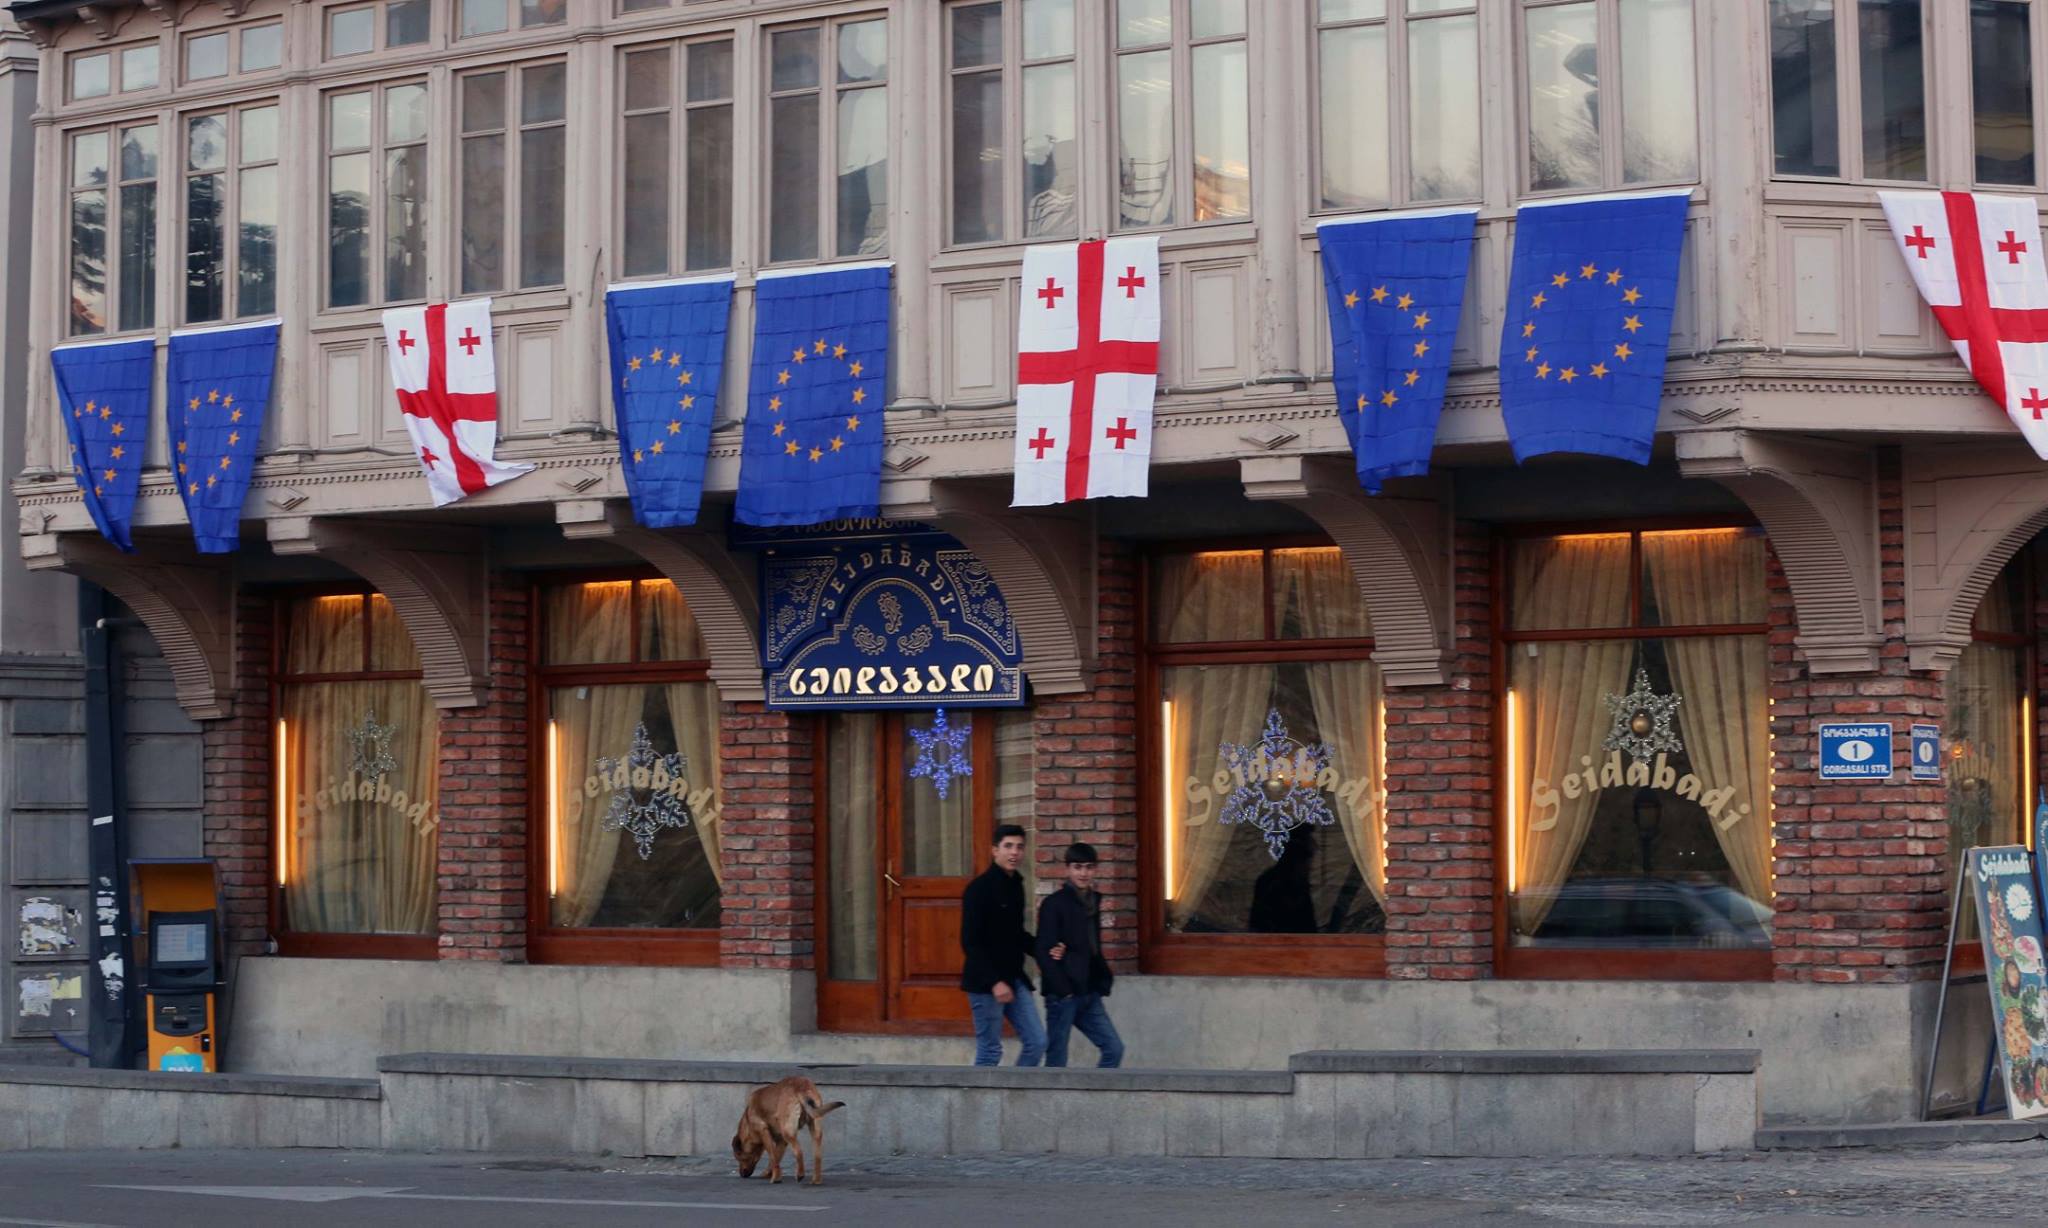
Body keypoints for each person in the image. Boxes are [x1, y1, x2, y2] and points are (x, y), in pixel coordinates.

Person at [960, 824, 1048, 1066]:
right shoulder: (978, 890)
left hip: (1014, 977)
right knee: (990, 1052)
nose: (1014, 853)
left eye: (1020, 847)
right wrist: (994, 982)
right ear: (994, 850)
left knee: (1037, 1041)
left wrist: (1046, 950)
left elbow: (1016, 935)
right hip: (986, 983)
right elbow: (970, 942)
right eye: (1008, 846)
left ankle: (1015, 1097)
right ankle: (978, 1104)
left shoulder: (1016, 886)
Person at [1035, 841, 1124, 1069]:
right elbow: (1045, 952)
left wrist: (1101, 979)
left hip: (1088, 991)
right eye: (1077, 867)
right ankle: (1051, 1104)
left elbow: (1089, 945)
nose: (1083, 873)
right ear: (1067, 869)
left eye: (1088, 867)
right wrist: (1063, 990)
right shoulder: (1054, 904)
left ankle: (1096, 1100)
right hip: (1063, 995)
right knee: (1057, 1059)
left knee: (1114, 1048)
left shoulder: (1093, 901)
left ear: (1095, 870)